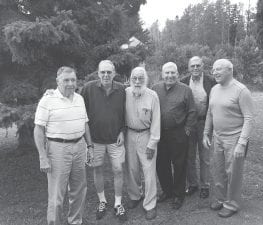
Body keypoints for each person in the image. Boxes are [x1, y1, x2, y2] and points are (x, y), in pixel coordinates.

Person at [34, 66, 94, 225]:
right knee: (56, 194)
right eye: (66, 80)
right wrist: (42, 156)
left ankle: (75, 221)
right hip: (57, 149)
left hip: (79, 147)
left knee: (79, 189)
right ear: (57, 81)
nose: (70, 83)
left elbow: (85, 124)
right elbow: (39, 129)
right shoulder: (47, 100)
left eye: (73, 80)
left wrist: (90, 146)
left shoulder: (79, 99)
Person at [203, 59, 254, 218]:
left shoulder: (241, 90)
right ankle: (220, 198)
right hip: (217, 137)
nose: (215, 72)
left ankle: (232, 204)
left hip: (235, 138)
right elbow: (210, 113)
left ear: (230, 70)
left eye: (219, 69)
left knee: (233, 173)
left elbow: (249, 118)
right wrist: (206, 133)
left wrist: (242, 142)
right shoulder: (214, 89)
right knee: (218, 171)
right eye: (213, 69)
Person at [81, 60, 127, 221]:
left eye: (109, 72)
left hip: (116, 139)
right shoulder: (88, 89)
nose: (106, 75)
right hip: (95, 140)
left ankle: (118, 203)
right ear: (98, 73)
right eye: (103, 72)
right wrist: (52, 92)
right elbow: (76, 104)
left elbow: (126, 113)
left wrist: (123, 131)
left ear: (114, 73)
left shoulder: (122, 89)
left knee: (118, 170)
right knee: (97, 169)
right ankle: (102, 201)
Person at [153, 62, 196, 209]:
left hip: (179, 133)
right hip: (160, 133)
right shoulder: (155, 88)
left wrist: (187, 129)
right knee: (161, 164)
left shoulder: (186, 90)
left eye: (173, 73)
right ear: (162, 74)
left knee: (179, 164)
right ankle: (167, 191)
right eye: (167, 73)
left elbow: (192, 111)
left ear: (177, 74)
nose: (170, 76)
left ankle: (178, 195)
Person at [125, 67, 161, 220]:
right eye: (134, 78)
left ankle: (150, 204)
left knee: (149, 171)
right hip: (129, 135)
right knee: (131, 168)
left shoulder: (152, 96)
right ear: (130, 79)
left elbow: (156, 121)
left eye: (140, 78)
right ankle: (135, 195)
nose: (137, 81)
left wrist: (152, 143)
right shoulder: (125, 93)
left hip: (147, 135)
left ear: (145, 79)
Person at [181, 56, 216, 198]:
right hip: (188, 124)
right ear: (189, 67)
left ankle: (205, 185)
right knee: (189, 156)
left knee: (204, 156)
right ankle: (193, 184)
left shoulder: (211, 82)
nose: (195, 68)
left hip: (204, 123)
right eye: (192, 66)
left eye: (198, 65)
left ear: (203, 66)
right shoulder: (182, 82)